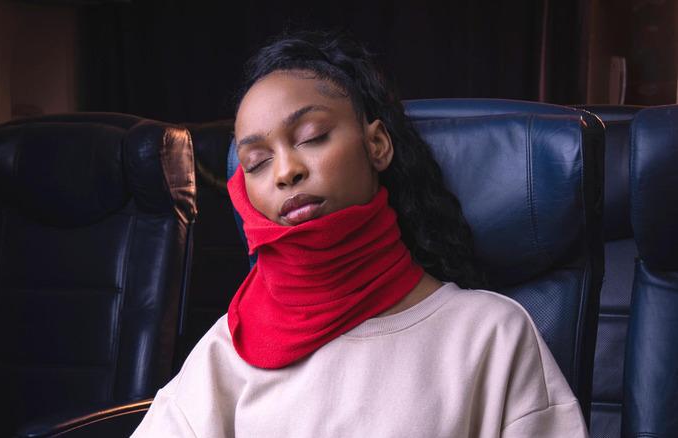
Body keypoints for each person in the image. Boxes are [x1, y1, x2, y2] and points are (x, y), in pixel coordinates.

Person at [131, 28, 588, 437]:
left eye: (311, 136)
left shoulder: (492, 334)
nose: (286, 171)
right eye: (257, 162)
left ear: (377, 144)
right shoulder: (230, 347)